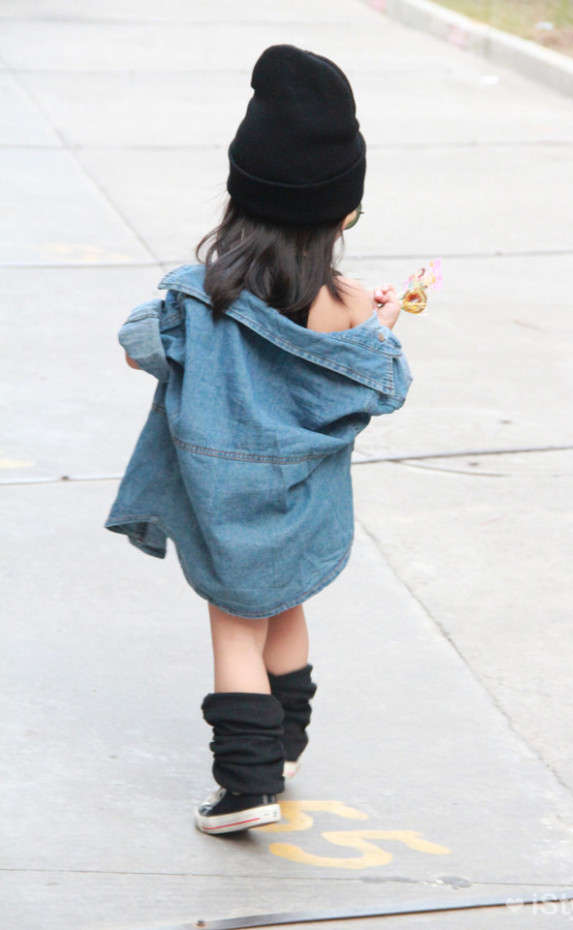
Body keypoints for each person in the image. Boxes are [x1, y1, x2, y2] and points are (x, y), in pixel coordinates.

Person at [106, 44, 412, 835]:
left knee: (235, 629)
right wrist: (383, 320)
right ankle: (286, 746)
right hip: (303, 503)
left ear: (239, 202)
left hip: (224, 503)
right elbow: (378, 380)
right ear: (342, 216)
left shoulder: (199, 297)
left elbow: (138, 348)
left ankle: (246, 789)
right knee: (286, 606)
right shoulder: (349, 302)